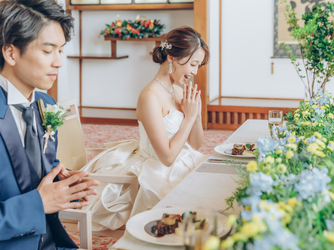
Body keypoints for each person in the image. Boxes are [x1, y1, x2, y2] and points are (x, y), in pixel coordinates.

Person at [81, 26, 210, 231]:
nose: (195, 72)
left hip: (183, 159)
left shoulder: (177, 91)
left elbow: (195, 143)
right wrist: (189, 118)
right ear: (173, 58)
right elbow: (166, 158)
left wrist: (196, 115)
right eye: (193, 64)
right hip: (159, 168)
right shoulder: (149, 96)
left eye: (198, 66)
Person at [0, 1, 100, 249]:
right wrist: (38, 204)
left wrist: (62, 182)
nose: (58, 62)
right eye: (47, 51)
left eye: (61, 51)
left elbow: (31, 164)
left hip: (53, 240)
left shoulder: (46, 103)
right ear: (11, 53)